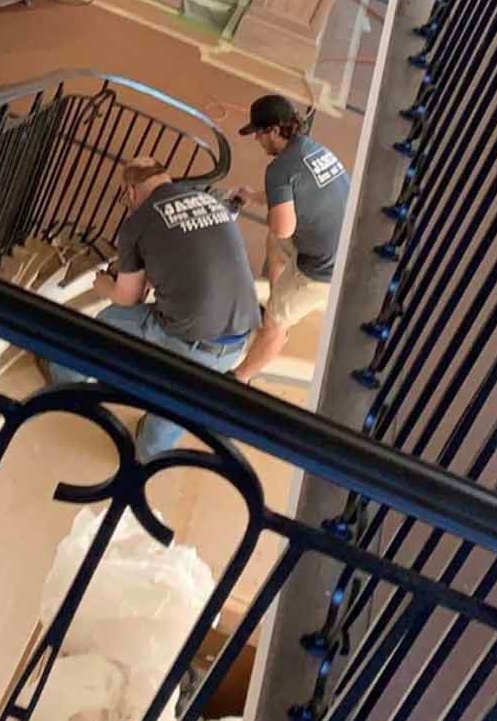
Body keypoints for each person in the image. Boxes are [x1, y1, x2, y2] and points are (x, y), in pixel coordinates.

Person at [42, 154, 260, 461]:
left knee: (105, 324)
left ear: (130, 191)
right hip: (238, 339)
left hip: (186, 339)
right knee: (178, 400)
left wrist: (104, 285)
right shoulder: (207, 200)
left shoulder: (138, 222)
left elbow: (129, 298)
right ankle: (149, 455)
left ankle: (64, 381)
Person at [231, 94, 349, 385]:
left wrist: (273, 209)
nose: (258, 141)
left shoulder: (279, 168)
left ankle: (238, 378)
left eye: (259, 133)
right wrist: (253, 197)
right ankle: (278, 296)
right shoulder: (315, 149)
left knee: (275, 325)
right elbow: (297, 195)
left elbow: (283, 227)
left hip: (321, 269)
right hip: (343, 244)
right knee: (275, 244)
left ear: (273, 130)